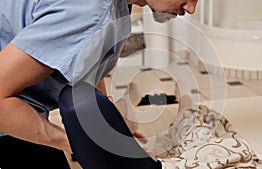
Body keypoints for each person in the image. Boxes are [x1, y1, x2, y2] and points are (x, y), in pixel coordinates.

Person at [0, 0, 198, 168]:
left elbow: (82, 53)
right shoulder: (90, 12)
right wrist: (77, 143)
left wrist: (103, 115)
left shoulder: (112, 7)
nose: (191, 8)